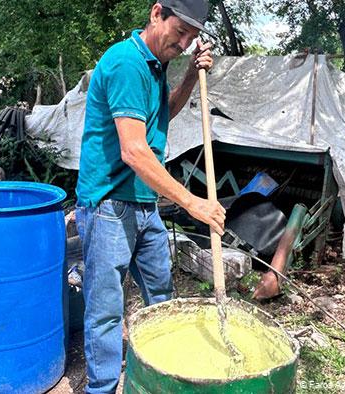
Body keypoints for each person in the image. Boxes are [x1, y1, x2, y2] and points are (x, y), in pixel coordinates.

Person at [74, 1, 225, 392]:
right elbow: (134, 151)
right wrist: (193, 202)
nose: (185, 43)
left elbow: (163, 115)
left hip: (142, 204)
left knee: (161, 294)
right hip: (109, 203)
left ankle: (157, 374)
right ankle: (103, 387)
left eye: (192, 38)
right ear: (157, 13)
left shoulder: (154, 67)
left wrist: (190, 76)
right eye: (180, 33)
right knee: (107, 310)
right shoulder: (127, 63)